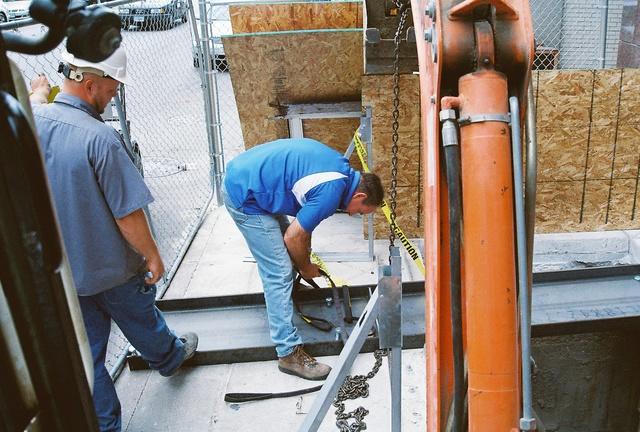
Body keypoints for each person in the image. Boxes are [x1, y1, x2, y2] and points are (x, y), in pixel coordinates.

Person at [31, 47, 198, 432]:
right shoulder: (101, 139)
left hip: (67, 274)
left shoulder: (33, 124)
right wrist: (153, 256)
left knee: (88, 359)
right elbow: (127, 214)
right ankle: (169, 358)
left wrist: (38, 92)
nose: (114, 97)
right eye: (111, 89)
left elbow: (35, 102)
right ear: (90, 85)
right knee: (142, 320)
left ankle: (105, 427)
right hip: (115, 269)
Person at [223, 138, 384, 380]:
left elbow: (302, 230)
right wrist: (306, 267)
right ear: (359, 194)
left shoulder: (340, 170)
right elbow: (294, 237)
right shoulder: (331, 192)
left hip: (251, 180)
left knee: (288, 258)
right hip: (245, 197)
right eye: (360, 210)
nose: (353, 214)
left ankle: (284, 301)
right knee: (279, 270)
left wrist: (303, 258)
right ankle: (287, 353)